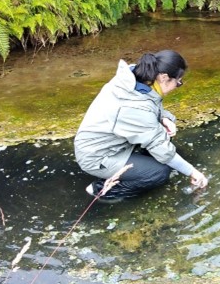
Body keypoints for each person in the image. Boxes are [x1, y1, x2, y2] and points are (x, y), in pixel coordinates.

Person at [74, 50, 208, 201]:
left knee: (163, 139)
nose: (178, 85)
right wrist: (193, 172)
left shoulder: (136, 79)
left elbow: (149, 106)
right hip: (98, 156)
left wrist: (164, 118)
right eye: (178, 82)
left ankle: (138, 163)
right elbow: (161, 148)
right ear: (164, 78)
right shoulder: (134, 106)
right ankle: (101, 190)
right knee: (159, 173)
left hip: (112, 142)